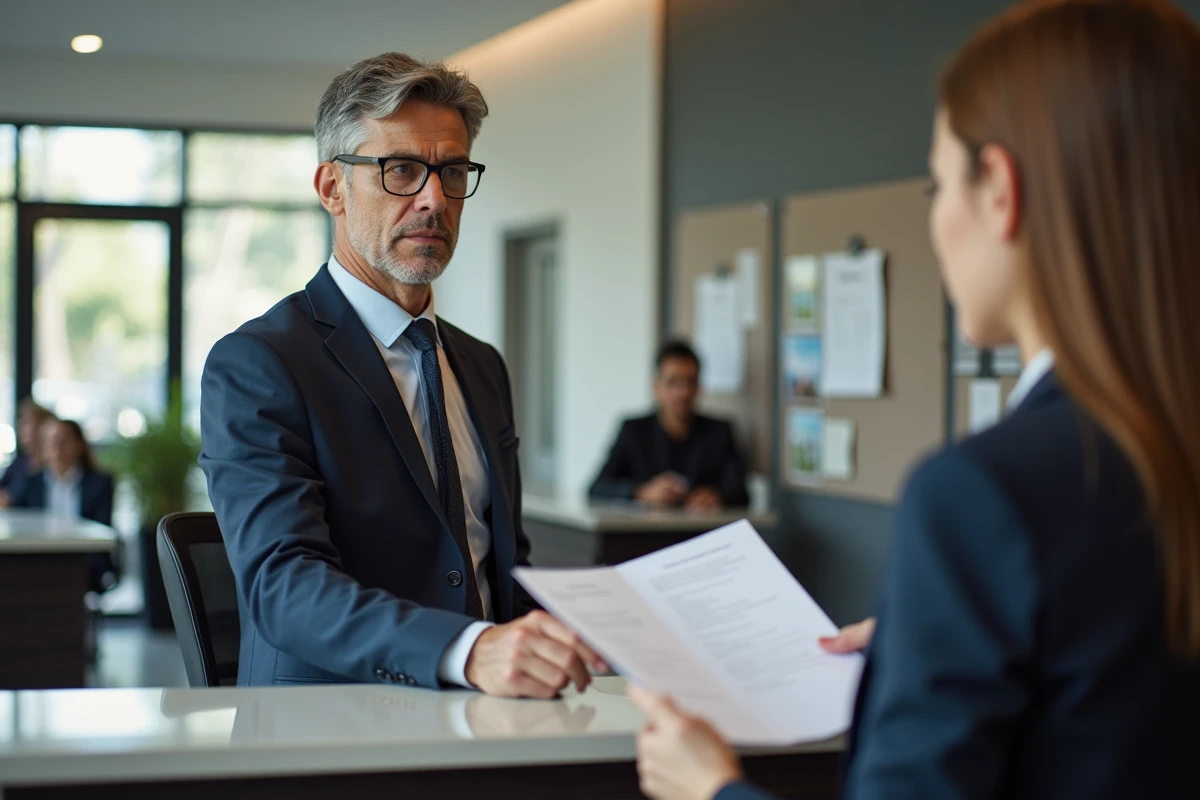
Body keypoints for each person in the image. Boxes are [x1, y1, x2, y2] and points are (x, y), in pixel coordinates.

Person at [629, 1, 1200, 798]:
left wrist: (711, 787)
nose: (935, 220)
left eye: (937, 183)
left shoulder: (986, 494)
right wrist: (926, 637)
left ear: (1000, 189)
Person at [200, 53, 604, 694]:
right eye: (402, 170)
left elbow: (498, 563)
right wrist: (468, 652)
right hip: (332, 724)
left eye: (450, 171)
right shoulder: (260, 364)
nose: (434, 199)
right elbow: (284, 586)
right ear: (332, 188)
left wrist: (586, 632)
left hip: (495, 717)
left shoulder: (480, 365)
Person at [589, 341, 749, 510]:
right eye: (673, 382)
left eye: (691, 382)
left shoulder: (719, 432)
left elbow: (740, 493)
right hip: (645, 532)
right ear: (656, 386)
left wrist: (716, 496)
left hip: (703, 530)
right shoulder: (633, 430)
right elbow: (597, 488)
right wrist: (642, 492)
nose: (683, 392)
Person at [11, 417, 117, 592]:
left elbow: (102, 528)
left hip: (84, 560)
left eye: (64, 440)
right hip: (37, 559)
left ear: (79, 445)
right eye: (51, 441)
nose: (57, 447)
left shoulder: (99, 483)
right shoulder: (29, 482)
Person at [0, 398, 54, 508]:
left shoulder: (54, 466)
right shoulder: (21, 462)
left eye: (28, 423)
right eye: (22, 423)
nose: (22, 429)